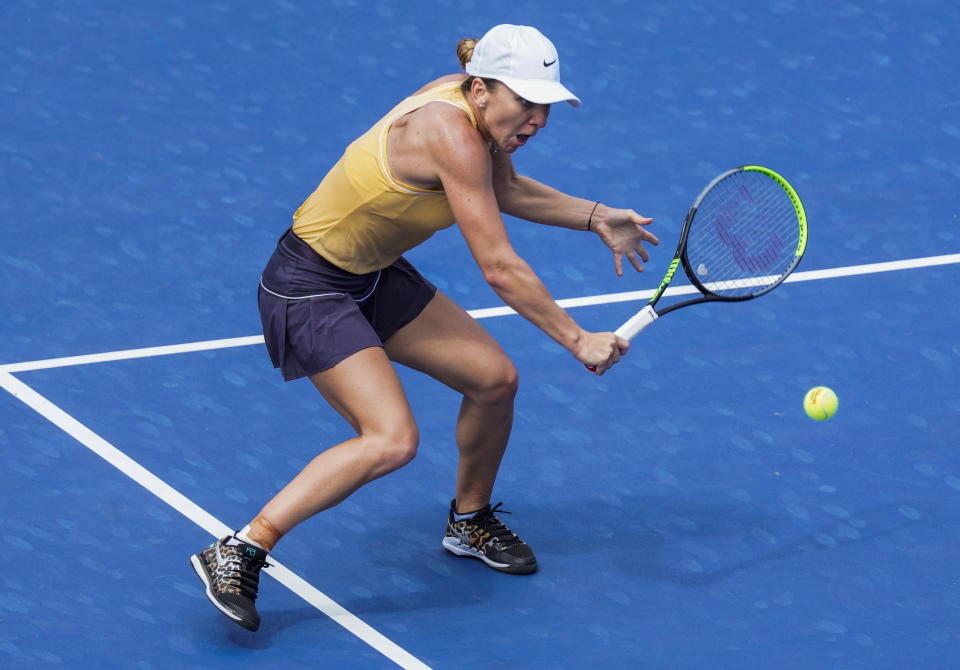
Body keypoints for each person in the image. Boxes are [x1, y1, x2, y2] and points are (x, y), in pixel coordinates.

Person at [190, 24, 659, 632]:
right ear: (484, 88)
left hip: (374, 275)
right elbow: (498, 266)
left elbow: (506, 190)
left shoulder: (472, 112)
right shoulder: (450, 133)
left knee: (494, 380)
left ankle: (469, 521)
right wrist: (577, 339)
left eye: (545, 104)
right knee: (390, 439)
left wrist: (595, 216)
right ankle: (241, 548)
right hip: (311, 287)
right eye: (526, 101)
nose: (538, 119)